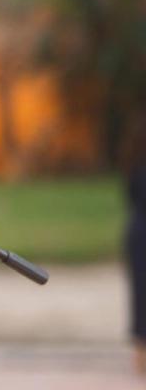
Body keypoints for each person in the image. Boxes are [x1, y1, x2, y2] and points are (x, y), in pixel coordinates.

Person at [123, 116, 146, 375]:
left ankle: (140, 354)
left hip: (136, 232)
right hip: (141, 235)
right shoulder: (139, 169)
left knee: (140, 295)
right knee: (141, 294)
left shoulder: (133, 165)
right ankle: (140, 354)